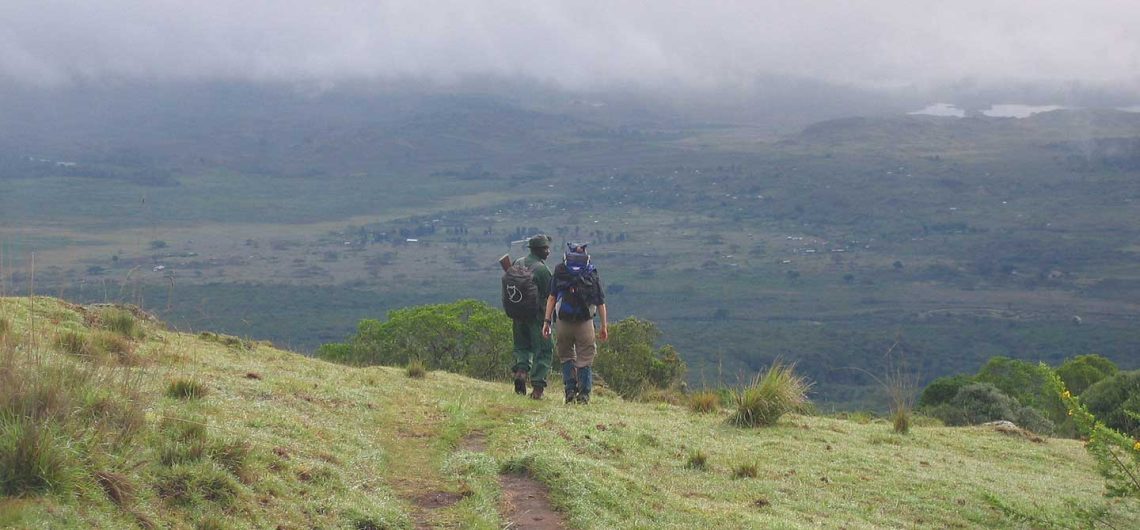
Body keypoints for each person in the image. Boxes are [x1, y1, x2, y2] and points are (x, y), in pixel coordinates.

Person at [542, 242, 607, 404]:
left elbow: (551, 298)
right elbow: (600, 302)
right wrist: (604, 326)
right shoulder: (591, 272)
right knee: (585, 358)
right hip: (585, 322)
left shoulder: (560, 270)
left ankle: (570, 390)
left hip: (563, 322)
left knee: (566, 356)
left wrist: (547, 321)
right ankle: (584, 395)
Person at [509, 235, 554, 399]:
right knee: (543, 350)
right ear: (537, 250)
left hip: (517, 313)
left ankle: (521, 372)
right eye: (545, 248)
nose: (548, 251)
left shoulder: (517, 262)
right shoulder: (542, 270)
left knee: (522, 346)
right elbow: (551, 295)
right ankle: (537, 389)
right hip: (537, 316)